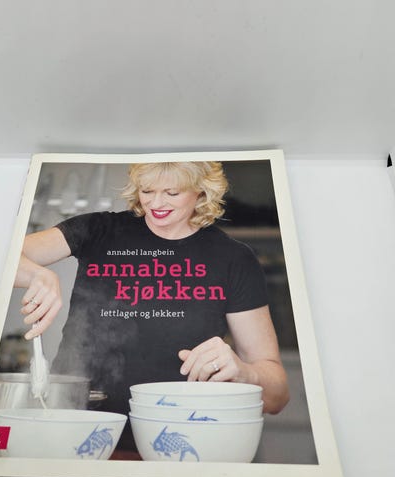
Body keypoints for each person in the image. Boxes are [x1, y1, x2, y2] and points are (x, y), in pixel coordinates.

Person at [15, 161, 289, 456]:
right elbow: (5, 255)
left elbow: (278, 396)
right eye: (147, 190)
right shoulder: (97, 230)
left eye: (172, 192)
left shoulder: (233, 259)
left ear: (201, 191)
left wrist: (244, 373)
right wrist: (38, 275)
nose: (156, 203)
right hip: (72, 435)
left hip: (175, 450)